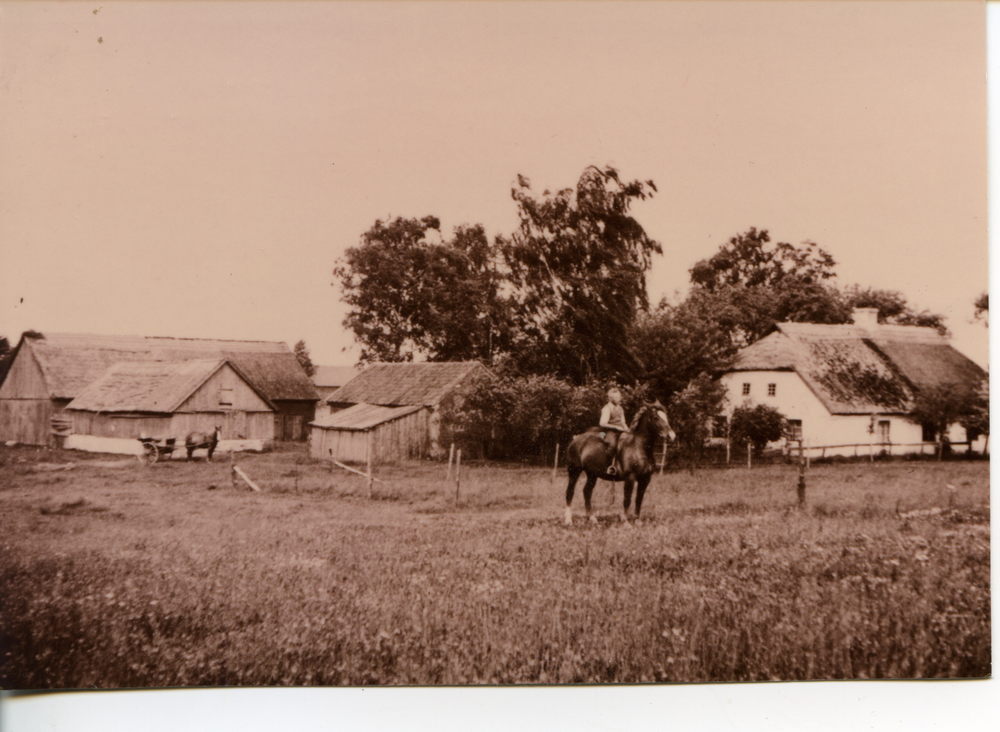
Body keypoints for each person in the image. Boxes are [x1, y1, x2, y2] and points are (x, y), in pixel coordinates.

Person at [599, 387, 629, 475]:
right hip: (609, 431)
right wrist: (616, 427)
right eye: (616, 398)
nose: (619, 399)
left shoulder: (620, 408)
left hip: (621, 430)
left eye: (619, 397)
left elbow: (623, 421)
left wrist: (626, 428)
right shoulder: (607, 408)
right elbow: (602, 423)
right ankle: (609, 466)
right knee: (612, 445)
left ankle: (624, 465)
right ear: (611, 399)